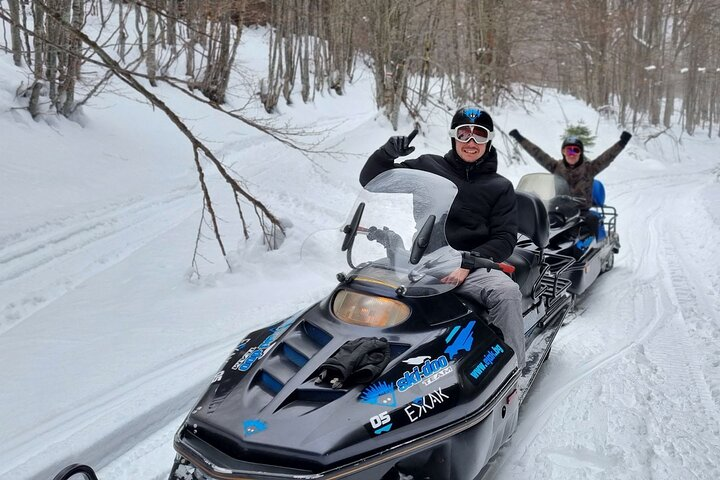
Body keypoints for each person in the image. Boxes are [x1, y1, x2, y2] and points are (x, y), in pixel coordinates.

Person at [360, 107, 525, 369]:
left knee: (506, 292)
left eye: (479, 136)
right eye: (464, 134)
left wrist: (469, 263)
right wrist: (386, 155)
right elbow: (372, 181)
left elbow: (505, 238)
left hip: (471, 263)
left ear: (488, 140)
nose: (471, 143)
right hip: (423, 259)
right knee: (368, 283)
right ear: (453, 137)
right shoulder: (428, 167)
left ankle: (512, 368)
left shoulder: (500, 186)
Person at [508, 129, 631, 249]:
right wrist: (520, 138)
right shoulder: (556, 167)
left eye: (575, 150)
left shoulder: (590, 169)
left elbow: (607, 157)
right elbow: (537, 153)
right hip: (560, 210)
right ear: (563, 152)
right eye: (568, 150)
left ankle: (594, 248)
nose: (572, 154)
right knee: (541, 222)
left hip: (581, 211)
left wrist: (622, 142)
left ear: (580, 153)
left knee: (591, 222)